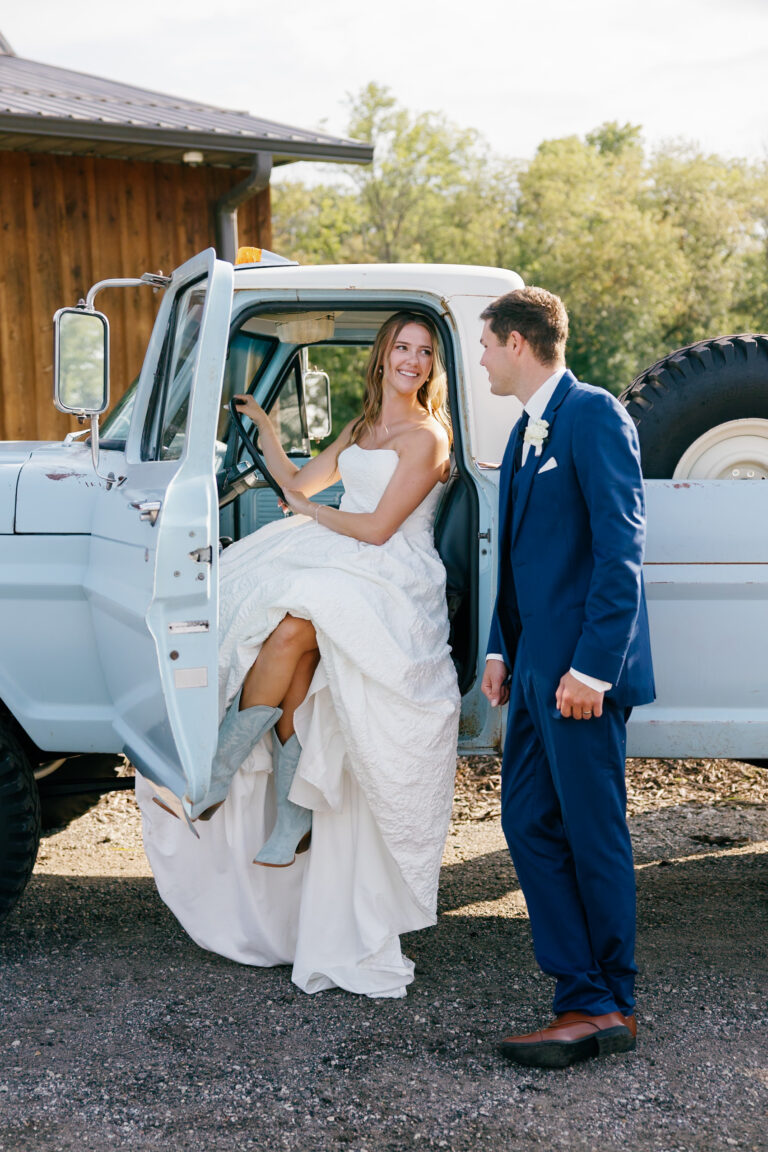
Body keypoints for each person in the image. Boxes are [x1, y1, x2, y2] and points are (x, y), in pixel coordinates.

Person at [135, 312, 461, 998]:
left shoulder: (428, 436)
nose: (411, 360)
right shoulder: (361, 424)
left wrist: (312, 519)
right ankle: (273, 797)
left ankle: (235, 777)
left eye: (424, 352)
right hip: (344, 553)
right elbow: (299, 489)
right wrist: (270, 435)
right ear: (382, 357)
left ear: (433, 366)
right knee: (287, 629)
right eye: (402, 348)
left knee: (299, 605)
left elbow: (375, 530)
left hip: (392, 573)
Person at [479, 287, 655, 1067]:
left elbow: (622, 551)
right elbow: (519, 557)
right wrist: (497, 648)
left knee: (593, 834)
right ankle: (582, 991)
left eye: (486, 344)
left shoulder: (593, 414)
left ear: (518, 343)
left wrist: (593, 669)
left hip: (582, 679)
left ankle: (603, 1003)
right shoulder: (523, 431)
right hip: (532, 677)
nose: (479, 357)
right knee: (525, 823)